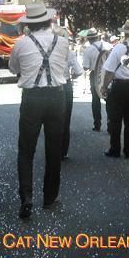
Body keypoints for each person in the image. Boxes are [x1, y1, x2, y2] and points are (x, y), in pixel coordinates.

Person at [8, 3, 69, 219]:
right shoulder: (62, 42)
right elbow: (65, 65)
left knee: (26, 149)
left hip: (32, 97)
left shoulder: (21, 44)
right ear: (48, 21)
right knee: (53, 149)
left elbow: (13, 69)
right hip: (56, 96)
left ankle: (26, 197)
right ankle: (50, 197)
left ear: (29, 25)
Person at [100, 20, 129, 159]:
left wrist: (104, 86)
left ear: (124, 32)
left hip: (119, 86)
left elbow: (110, 69)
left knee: (115, 119)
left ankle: (115, 149)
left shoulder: (119, 48)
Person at [51, 27, 83, 160]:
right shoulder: (69, 52)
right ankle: (63, 151)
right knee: (65, 120)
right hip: (66, 85)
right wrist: (73, 75)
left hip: (52, 86)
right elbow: (79, 71)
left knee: (51, 120)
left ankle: (52, 149)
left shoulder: (47, 50)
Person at [82, 28, 111, 131]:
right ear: (98, 37)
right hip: (108, 73)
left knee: (96, 99)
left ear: (89, 39)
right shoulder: (108, 46)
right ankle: (110, 124)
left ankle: (97, 124)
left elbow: (86, 67)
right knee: (109, 99)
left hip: (95, 75)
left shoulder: (88, 50)